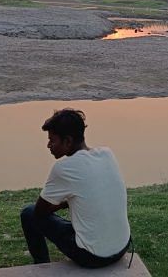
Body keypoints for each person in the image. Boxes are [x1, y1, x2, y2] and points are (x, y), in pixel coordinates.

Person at [20, 109, 131, 268]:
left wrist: (64, 203)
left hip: (93, 257)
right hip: (122, 246)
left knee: (28, 214)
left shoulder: (63, 168)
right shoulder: (107, 153)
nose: (48, 145)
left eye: (52, 140)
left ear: (68, 141)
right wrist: (71, 201)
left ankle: (41, 265)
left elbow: (40, 212)